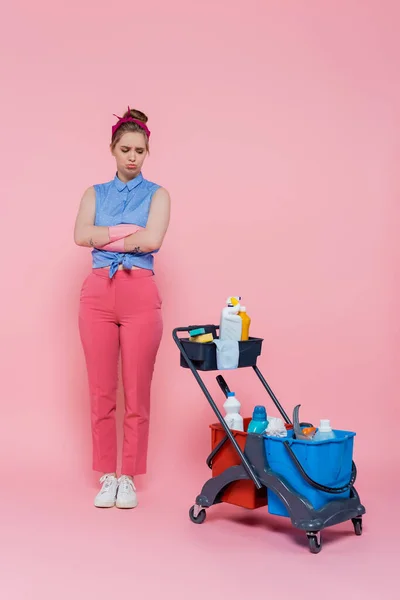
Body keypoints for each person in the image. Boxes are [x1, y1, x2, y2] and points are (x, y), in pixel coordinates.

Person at [74, 107, 170, 509]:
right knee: (100, 390)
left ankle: (127, 475)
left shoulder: (159, 194)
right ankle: (106, 474)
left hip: (139, 295)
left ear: (147, 153)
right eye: (125, 149)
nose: (133, 157)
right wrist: (128, 232)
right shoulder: (94, 193)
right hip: (97, 294)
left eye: (140, 151)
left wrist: (104, 237)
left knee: (136, 390)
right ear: (112, 149)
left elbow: (152, 242)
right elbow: (81, 235)